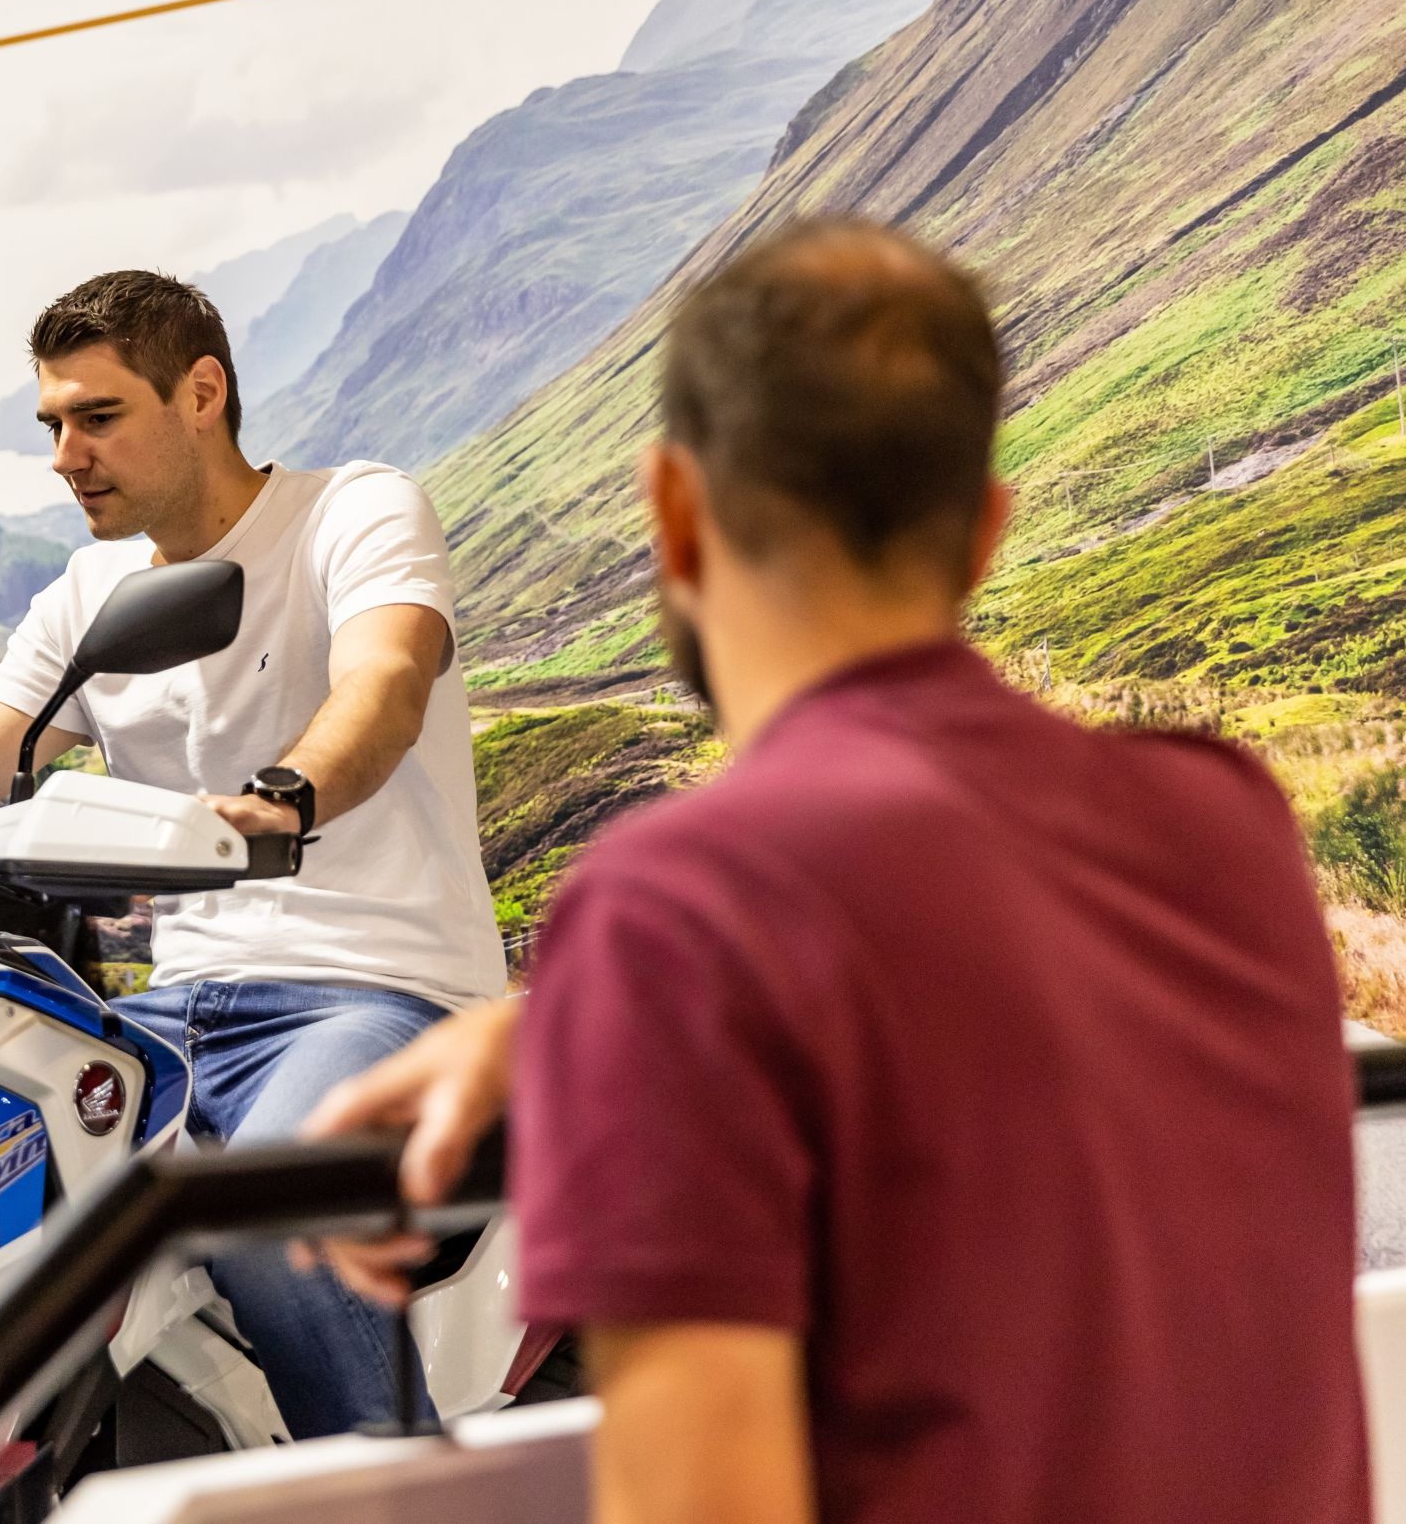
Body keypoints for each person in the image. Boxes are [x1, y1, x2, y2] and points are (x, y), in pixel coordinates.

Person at [305, 219, 1367, 1523]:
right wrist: (579, 1023)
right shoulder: (1223, 820)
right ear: (983, 530)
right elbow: (983, 977)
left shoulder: (686, 907)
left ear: (677, 513)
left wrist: (627, 989)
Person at [0, 269, 503, 1438]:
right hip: (180, 1005)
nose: (64, 455)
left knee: (271, 1212)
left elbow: (386, 682)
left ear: (200, 393)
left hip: (367, 988)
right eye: (51, 423)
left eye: (96, 417)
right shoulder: (92, 588)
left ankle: (392, 1495)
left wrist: (283, 800)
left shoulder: (351, 512)